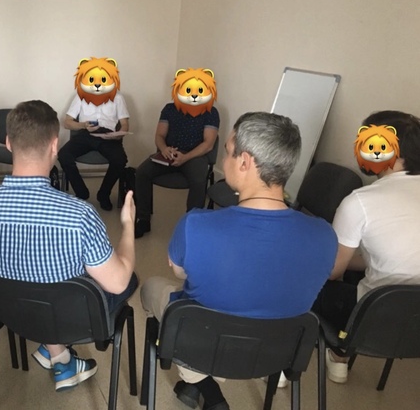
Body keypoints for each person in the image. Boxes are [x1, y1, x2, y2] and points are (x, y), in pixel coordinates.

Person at [140, 112, 337, 410]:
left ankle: (202, 383)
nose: (224, 159)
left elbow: (180, 272)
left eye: (228, 152)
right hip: (275, 354)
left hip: (205, 341)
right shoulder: (325, 235)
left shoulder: (196, 225)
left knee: (154, 288)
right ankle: (200, 385)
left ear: (244, 162)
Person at [0, 100, 138, 392]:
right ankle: (58, 352)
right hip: (70, 320)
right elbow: (117, 284)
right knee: (127, 278)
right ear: (55, 146)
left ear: (8, 143)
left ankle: (54, 351)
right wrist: (128, 226)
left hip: (10, 314)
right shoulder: (79, 215)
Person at [318, 110, 420, 384]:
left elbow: (332, 272)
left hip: (372, 322)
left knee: (311, 282)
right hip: (415, 327)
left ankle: (335, 355)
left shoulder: (360, 201)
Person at [133, 100, 219, 238]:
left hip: (195, 155)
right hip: (170, 152)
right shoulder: (169, 108)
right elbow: (159, 136)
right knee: (142, 172)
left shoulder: (211, 112)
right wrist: (164, 149)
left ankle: (192, 223)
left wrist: (186, 157)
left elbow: (208, 144)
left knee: (199, 179)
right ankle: (143, 219)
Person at [58, 87, 129, 211]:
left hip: (108, 134)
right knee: (64, 155)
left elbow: (125, 124)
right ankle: (81, 192)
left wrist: (119, 134)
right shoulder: (81, 95)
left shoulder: (118, 97)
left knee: (120, 160)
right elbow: (67, 123)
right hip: (86, 132)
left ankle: (104, 194)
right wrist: (83, 125)